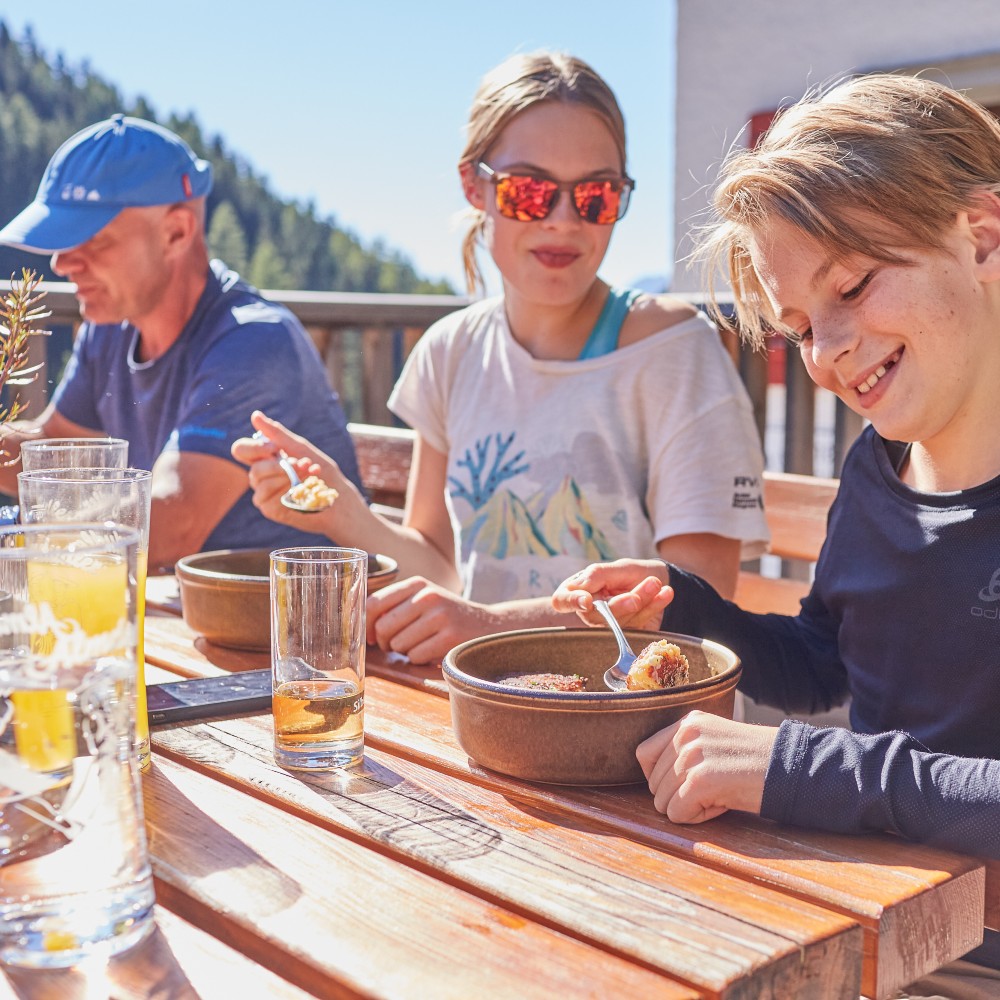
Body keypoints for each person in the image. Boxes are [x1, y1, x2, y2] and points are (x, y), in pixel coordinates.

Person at [552, 72, 1000, 994]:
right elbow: (823, 664)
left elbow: (838, 764)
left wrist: (801, 771)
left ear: (983, 235)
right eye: (798, 325)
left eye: (853, 285)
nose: (828, 350)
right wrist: (690, 608)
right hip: (863, 924)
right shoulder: (876, 473)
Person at [233, 51, 769, 665]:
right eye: (531, 191)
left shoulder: (674, 351)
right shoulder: (450, 352)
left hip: (640, 730)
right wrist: (343, 511)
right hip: (490, 705)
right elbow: (441, 564)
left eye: (595, 195)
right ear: (475, 186)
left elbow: (700, 594)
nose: (564, 221)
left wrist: (488, 626)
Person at [0, 115, 363, 571]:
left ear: (176, 232)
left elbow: (174, 519)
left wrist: (17, 531)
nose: (61, 263)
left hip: (291, 629)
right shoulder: (110, 327)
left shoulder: (253, 341)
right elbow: (51, 448)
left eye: (88, 239)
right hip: (187, 618)